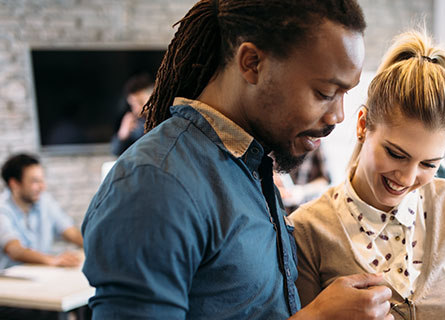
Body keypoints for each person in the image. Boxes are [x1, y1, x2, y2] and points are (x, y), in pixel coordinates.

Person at [81, 0, 393, 319]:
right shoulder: (154, 184)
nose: (338, 115)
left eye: (345, 95)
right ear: (252, 63)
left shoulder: (250, 167)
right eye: (325, 93)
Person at [290, 30, 445, 319]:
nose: (408, 178)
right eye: (396, 154)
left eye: (428, 164)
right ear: (363, 125)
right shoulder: (307, 230)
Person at [0, 153, 83, 269]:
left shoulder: (44, 201)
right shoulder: (3, 209)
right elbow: (15, 250)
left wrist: (93, 247)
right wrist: (54, 260)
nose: (42, 187)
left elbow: (69, 231)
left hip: (42, 273)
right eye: (35, 181)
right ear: (14, 184)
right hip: (11, 279)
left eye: (42, 180)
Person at [274, 148, 331, 213]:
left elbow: (325, 180)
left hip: (305, 211)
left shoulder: (314, 145)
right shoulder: (277, 144)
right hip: (280, 210)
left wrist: (302, 191)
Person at [110, 73, 153, 156]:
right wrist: (122, 134)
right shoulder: (134, 123)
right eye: (133, 104)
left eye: (140, 102)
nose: (136, 109)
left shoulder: (165, 118)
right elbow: (116, 152)